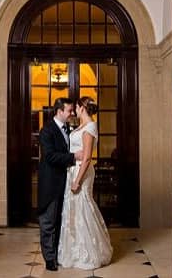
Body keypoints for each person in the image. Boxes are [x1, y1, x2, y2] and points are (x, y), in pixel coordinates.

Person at [58, 96, 113, 269]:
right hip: (73, 170)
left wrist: (77, 181)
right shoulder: (82, 125)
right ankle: (74, 249)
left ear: (82, 107)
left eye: (77, 106)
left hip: (82, 172)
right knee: (73, 208)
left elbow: (87, 157)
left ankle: (89, 252)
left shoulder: (90, 127)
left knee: (83, 206)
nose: (75, 109)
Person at [38, 97, 82, 272]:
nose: (72, 114)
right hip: (51, 183)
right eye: (69, 111)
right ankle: (49, 259)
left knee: (60, 220)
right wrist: (74, 157)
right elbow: (49, 156)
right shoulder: (46, 131)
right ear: (59, 111)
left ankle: (57, 254)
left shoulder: (68, 128)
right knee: (48, 222)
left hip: (65, 182)